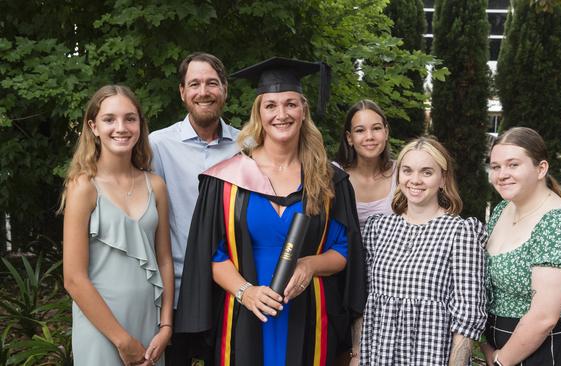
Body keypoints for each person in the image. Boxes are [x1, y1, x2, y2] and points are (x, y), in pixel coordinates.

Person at [174, 57, 366, 366]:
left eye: (291, 104)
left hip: (310, 314)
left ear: (303, 111)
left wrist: (310, 265)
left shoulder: (330, 179)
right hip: (243, 314)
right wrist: (246, 292)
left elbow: (344, 250)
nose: (281, 114)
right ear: (259, 114)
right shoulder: (226, 178)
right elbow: (209, 253)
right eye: (271, 105)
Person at [61, 85, 174, 365]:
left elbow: (165, 261)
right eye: (109, 119)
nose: (121, 127)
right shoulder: (83, 187)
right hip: (101, 328)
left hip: (150, 324)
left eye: (130, 118)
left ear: (140, 125)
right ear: (93, 127)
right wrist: (123, 341)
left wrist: (167, 326)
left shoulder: (156, 186)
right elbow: (74, 279)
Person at [357, 136, 487, 366]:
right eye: (407, 171)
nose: (415, 180)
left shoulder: (460, 232)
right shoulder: (379, 228)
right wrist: (357, 355)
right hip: (379, 354)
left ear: (443, 179)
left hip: (430, 356)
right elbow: (363, 301)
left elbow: (467, 317)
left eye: (427, 172)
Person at [149, 52, 240, 364]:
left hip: (231, 288)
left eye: (212, 83)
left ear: (225, 90)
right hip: (177, 288)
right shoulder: (157, 146)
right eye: (195, 84)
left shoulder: (248, 146)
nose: (204, 91)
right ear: (182, 92)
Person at [480, 127, 561, 366]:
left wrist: (502, 360)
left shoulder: (559, 224)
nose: (502, 174)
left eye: (513, 165)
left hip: (551, 349)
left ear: (541, 168)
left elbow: (544, 318)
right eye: (496, 167)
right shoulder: (504, 209)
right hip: (503, 347)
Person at [334, 100, 396, 230]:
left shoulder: (402, 174)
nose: (369, 136)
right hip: (344, 250)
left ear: (386, 133)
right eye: (360, 130)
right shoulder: (334, 175)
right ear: (349, 138)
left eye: (376, 128)